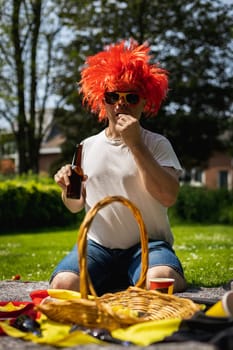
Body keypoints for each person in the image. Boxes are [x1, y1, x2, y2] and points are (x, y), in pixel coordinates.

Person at [51, 39, 187, 295]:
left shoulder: (156, 144)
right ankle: (118, 280)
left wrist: (135, 144)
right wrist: (66, 188)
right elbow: (75, 206)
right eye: (112, 96)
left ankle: (130, 278)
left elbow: (167, 196)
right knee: (63, 286)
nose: (120, 104)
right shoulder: (86, 146)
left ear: (145, 102)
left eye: (131, 97)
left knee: (161, 282)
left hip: (148, 245)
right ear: (102, 101)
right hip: (97, 247)